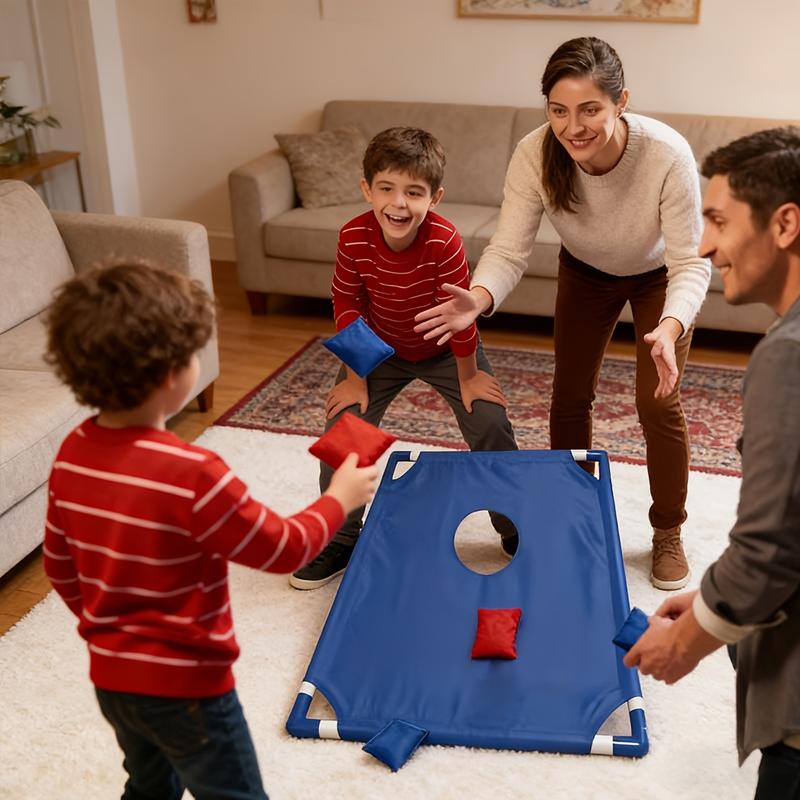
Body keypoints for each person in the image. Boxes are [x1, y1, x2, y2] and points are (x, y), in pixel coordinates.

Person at [42, 263, 378, 800]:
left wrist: (113, 632)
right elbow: (285, 548)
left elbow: (59, 566)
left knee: (150, 781)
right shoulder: (193, 474)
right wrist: (339, 500)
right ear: (169, 376)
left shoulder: (73, 455)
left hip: (113, 678)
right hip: (189, 691)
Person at [414, 36, 711, 591]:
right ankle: (571, 519)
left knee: (657, 403)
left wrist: (670, 329)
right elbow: (508, 249)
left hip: (658, 278)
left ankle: (667, 531)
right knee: (570, 394)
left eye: (590, 109)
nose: (573, 126)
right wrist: (477, 299)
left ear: (621, 101)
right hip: (586, 271)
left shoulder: (666, 154)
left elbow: (689, 262)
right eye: (558, 110)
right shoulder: (535, 153)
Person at [624, 127, 800, 799]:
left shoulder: (788, 355)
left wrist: (695, 636)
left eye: (719, 220)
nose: (703, 246)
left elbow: (770, 544)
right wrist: (714, 600)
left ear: (784, 224)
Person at [290, 126, 519, 590]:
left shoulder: (444, 240)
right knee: (343, 431)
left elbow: (460, 316)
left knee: (490, 422)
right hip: (378, 350)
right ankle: (343, 536)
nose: (399, 203)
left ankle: (512, 525)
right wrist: (355, 376)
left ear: (434, 197)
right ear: (366, 190)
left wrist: (470, 376)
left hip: (443, 349)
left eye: (414, 192)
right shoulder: (353, 236)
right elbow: (346, 303)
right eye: (387, 189)